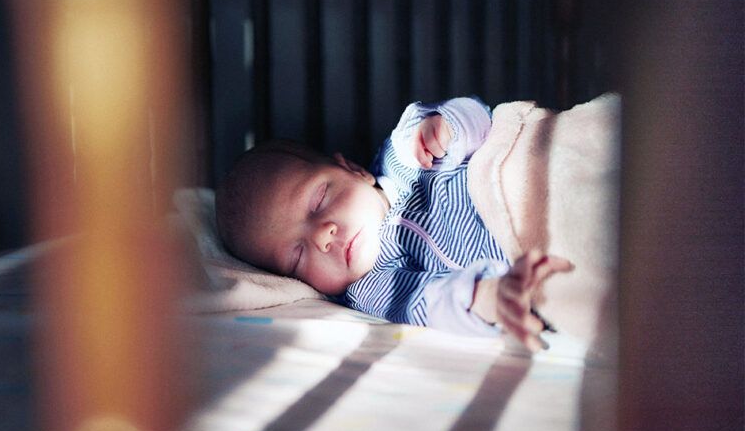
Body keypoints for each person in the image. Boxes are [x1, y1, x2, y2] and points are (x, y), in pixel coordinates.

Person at [215, 97, 573, 351]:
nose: (323, 237)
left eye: (318, 201)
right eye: (297, 256)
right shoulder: (372, 288)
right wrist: (490, 297)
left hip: (545, 177)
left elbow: (482, 121)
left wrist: (449, 126)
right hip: (543, 253)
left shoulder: (404, 152)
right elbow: (430, 303)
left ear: (353, 170)